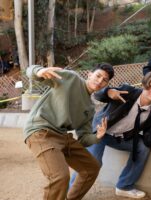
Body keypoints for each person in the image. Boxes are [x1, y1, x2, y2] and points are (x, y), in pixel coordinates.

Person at [70, 71, 151, 199]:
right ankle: (69, 193)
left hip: (120, 137)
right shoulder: (127, 91)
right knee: (92, 163)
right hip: (100, 131)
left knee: (143, 147)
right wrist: (108, 92)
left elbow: (149, 139)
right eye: (150, 87)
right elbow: (98, 94)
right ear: (143, 86)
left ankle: (124, 186)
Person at [23, 63, 114, 200]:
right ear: (89, 74)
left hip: (62, 136)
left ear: (106, 84)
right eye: (98, 75)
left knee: (91, 168)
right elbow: (31, 72)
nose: (100, 81)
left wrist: (97, 137)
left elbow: (83, 138)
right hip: (41, 131)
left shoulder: (89, 108)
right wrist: (40, 71)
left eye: (105, 80)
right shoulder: (71, 78)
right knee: (60, 177)